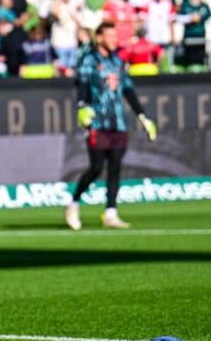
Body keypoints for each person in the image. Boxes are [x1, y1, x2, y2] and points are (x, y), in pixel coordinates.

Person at [65, 22, 158, 231]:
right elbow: (81, 85)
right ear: (99, 38)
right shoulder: (89, 60)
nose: (113, 39)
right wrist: (81, 107)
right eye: (109, 35)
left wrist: (143, 116)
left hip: (118, 122)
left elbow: (128, 91)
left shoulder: (118, 62)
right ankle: (73, 203)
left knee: (115, 166)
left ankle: (111, 211)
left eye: (114, 35)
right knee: (96, 167)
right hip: (97, 121)